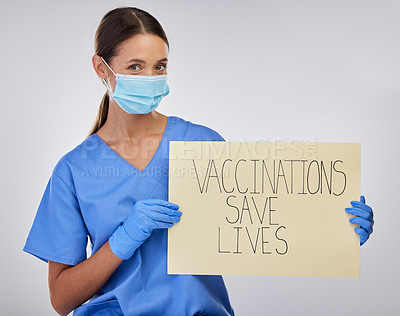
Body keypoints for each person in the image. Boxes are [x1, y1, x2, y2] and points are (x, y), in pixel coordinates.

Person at [22, 6, 374, 316]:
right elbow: (61, 299)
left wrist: (333, 233)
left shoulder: (203, 145)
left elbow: (259, 227)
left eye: (159, 66)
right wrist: (124, 239)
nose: (150, 79)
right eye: (135, 66)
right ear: (101, 67)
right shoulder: (74, 170)